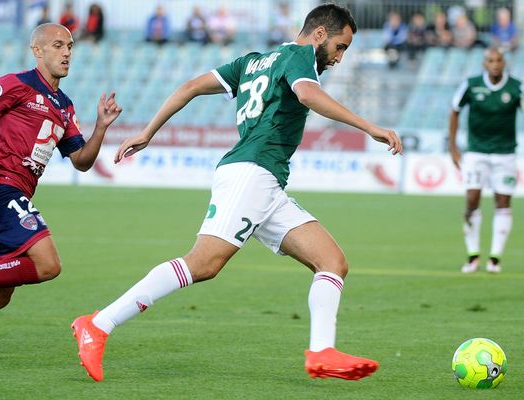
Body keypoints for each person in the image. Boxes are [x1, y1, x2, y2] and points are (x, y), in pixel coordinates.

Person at [72, 4, 402, 382]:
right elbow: (308, 96)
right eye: (341, 47)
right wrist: (369, 127)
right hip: (252, 172)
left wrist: (149, 131)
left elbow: (190, 86)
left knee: (332, 261)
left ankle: (321, 352)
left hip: (266, 182)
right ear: (320, 35)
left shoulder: (254, 61)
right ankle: (98, 324)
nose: (340, 59)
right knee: (203, 264)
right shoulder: (299, 56)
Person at [0, 23, 122, 361]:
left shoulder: (64, 106)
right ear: (38, 51)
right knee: (48, 264)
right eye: (58, 45)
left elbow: (81, 161)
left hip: (8, 196)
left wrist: (101, 127)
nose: (66, 53)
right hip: (0, 188)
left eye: (71, 47)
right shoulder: (15, 84)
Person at [448, 47, 520, 274]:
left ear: (504, 63)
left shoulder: (517, 87)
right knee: (472, 199)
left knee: (503, 202)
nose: (495, 64)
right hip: (476, 152)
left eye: (499, 60)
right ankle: (473, 255)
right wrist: (453, 147)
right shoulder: (471, 84)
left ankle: (495, 258)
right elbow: (455, 110)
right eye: (490, 60)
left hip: (505, 153)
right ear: (484, 64)